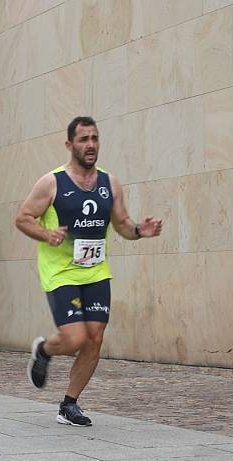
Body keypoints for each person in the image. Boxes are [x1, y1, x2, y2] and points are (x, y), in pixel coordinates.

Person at [16, 116, 162, 427]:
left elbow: (121, 223)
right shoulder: (52, 182)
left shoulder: (110, 183)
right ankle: (44, 350)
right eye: (83, 139)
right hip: (61, 272)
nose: (91, 145)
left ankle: (69, 404)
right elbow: (24, 217)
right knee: (74, 337)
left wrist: (139, 230)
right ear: (70, 145)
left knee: (94, 338)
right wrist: (46, 234)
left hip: (95, 272)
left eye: (94, 138)